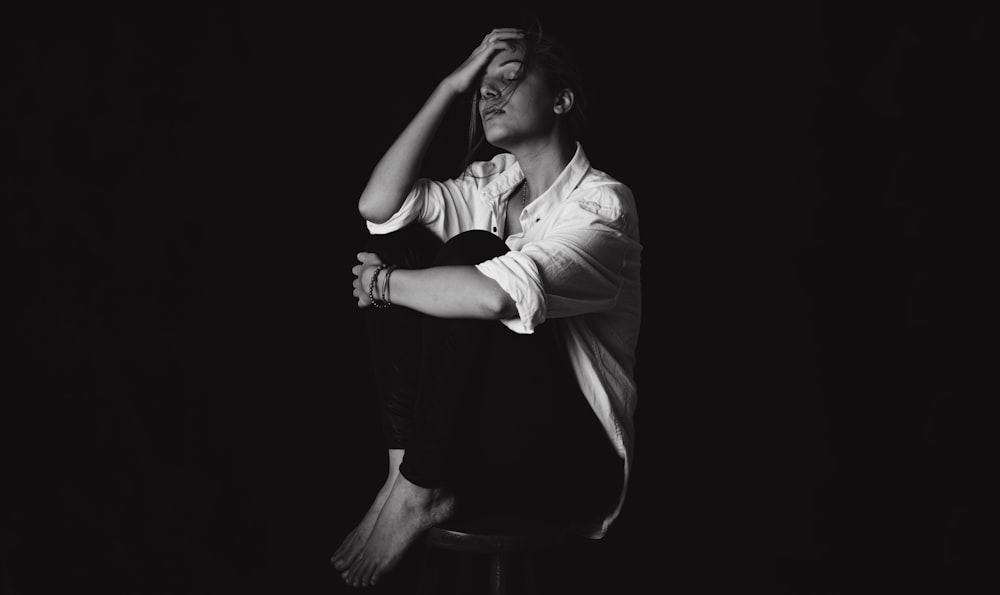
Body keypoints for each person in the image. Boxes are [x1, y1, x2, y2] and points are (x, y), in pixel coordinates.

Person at [331, 21, 642, 588]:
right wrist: (451, 86)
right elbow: (378, 207)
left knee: (471, 255)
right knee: (405, 244)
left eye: (511, 78)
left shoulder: (603, 205)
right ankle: (405, 474)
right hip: (490, 440)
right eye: (482, 86)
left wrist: (384, 286)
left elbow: (498, 292)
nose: (489, 94)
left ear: (561, 99)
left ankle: (419, 488)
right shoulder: (489, 186)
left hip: (572, 462)